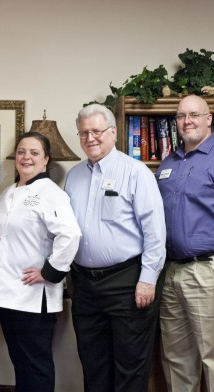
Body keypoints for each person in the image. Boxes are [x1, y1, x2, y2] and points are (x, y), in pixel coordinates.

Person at [65, 103, 166, 392]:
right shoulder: (74, 176)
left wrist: (147, 280)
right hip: (85, 285)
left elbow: (155, 231)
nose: (90, 138)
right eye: (83, 133)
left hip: (127, 281)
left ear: (113, 132)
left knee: (130, 365)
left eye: (96, 131)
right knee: (93, 363)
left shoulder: (136, 172)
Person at [0, 131, 81, 392]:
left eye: (34, 152)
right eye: (22, 151)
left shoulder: (51, 193)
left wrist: (49, 272)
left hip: (32, 296)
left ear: (46, 159)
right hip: (5, 294)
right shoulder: (10, 192)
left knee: (35, 365)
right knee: (20, 363)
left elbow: (70, 234)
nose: (27, 157)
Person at [157, 95, 214, 392]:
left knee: (211, 357)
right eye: (181, 116)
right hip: (171, 272)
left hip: (206, 271)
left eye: (194, 115)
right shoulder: (169, 162)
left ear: (209, 118)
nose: (187, 121)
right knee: (177, 358)